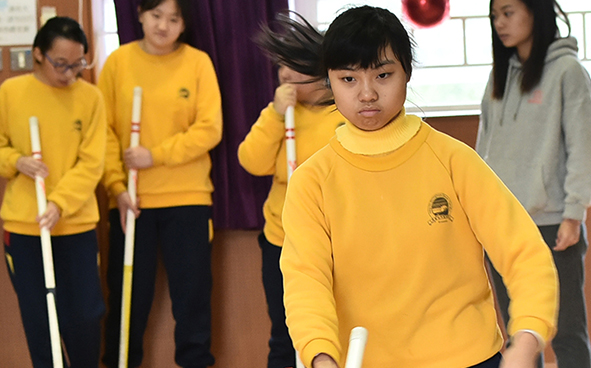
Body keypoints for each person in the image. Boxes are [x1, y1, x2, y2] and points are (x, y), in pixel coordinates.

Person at [276, 6, 559, 368]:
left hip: (470, 358)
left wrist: (526, 340)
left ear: (406, 74)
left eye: (382, 75)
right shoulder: (312, 181)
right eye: (349, 79)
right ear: (328, 81)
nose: (367, 94)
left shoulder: (454, 159)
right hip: (365, 361)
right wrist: (320, 355)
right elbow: (305, 280)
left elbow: (525, 253)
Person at [97, 0, 222, 367]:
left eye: (173, 19)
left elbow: (209, 128)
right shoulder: (118, 63)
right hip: (131, 202)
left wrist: (156, 154)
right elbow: (102, 133)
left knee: (193, 297)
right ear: (139, 14)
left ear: (184, 24)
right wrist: (116, 188)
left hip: (188, 198)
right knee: (127, 297)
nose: (163, 26)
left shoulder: (198, 62)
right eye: (156, 16)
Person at [476, 0, 591, 367]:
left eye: (508, 13)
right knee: (520, 334)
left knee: (568, 332)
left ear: (536, 12)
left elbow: (582, 147)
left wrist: (574, 214)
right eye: (495, 16)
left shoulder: (568, 72)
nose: (499, 23)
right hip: (505, 225)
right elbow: (482, 150)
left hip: (554, 223)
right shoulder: (498, 77)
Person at [238, 17, 345, 367]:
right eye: (280, 67)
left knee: (334, 330)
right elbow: (251, 160)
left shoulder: (343, 115)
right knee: (285, 334)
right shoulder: (282, 114)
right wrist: (273, 113)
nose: (283, 74)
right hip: (281, 242)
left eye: (292, 67)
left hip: (333, 243)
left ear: (319, 72)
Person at [0, 17, 106, 367]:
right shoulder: (10, 93)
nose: (69, 74)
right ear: (38, 55)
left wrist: (60, 203)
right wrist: (17, 161)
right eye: (61, 64)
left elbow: (92, 163)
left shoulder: (90, 98)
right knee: (39, 318)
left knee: (87, 317)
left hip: (75, 226)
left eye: (78, 64)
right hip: (25, 227)